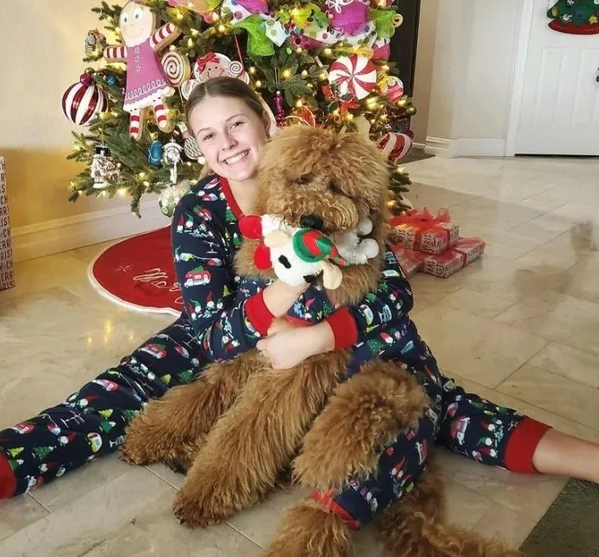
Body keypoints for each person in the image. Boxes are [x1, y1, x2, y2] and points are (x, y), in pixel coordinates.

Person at [1, 77, 598, 530]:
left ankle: (586, 458)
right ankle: (13, 461)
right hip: (234, 337)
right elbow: (208, 328)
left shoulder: (332, 178)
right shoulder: (200, 212)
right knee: (125, 384)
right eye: (209, 135)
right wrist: (278, 298)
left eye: (236, 125)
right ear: (198, 148)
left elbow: (393, 292)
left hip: (337, 333)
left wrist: (319, 337)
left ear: (265, 121)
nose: (227, 144)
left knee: (427, 399)